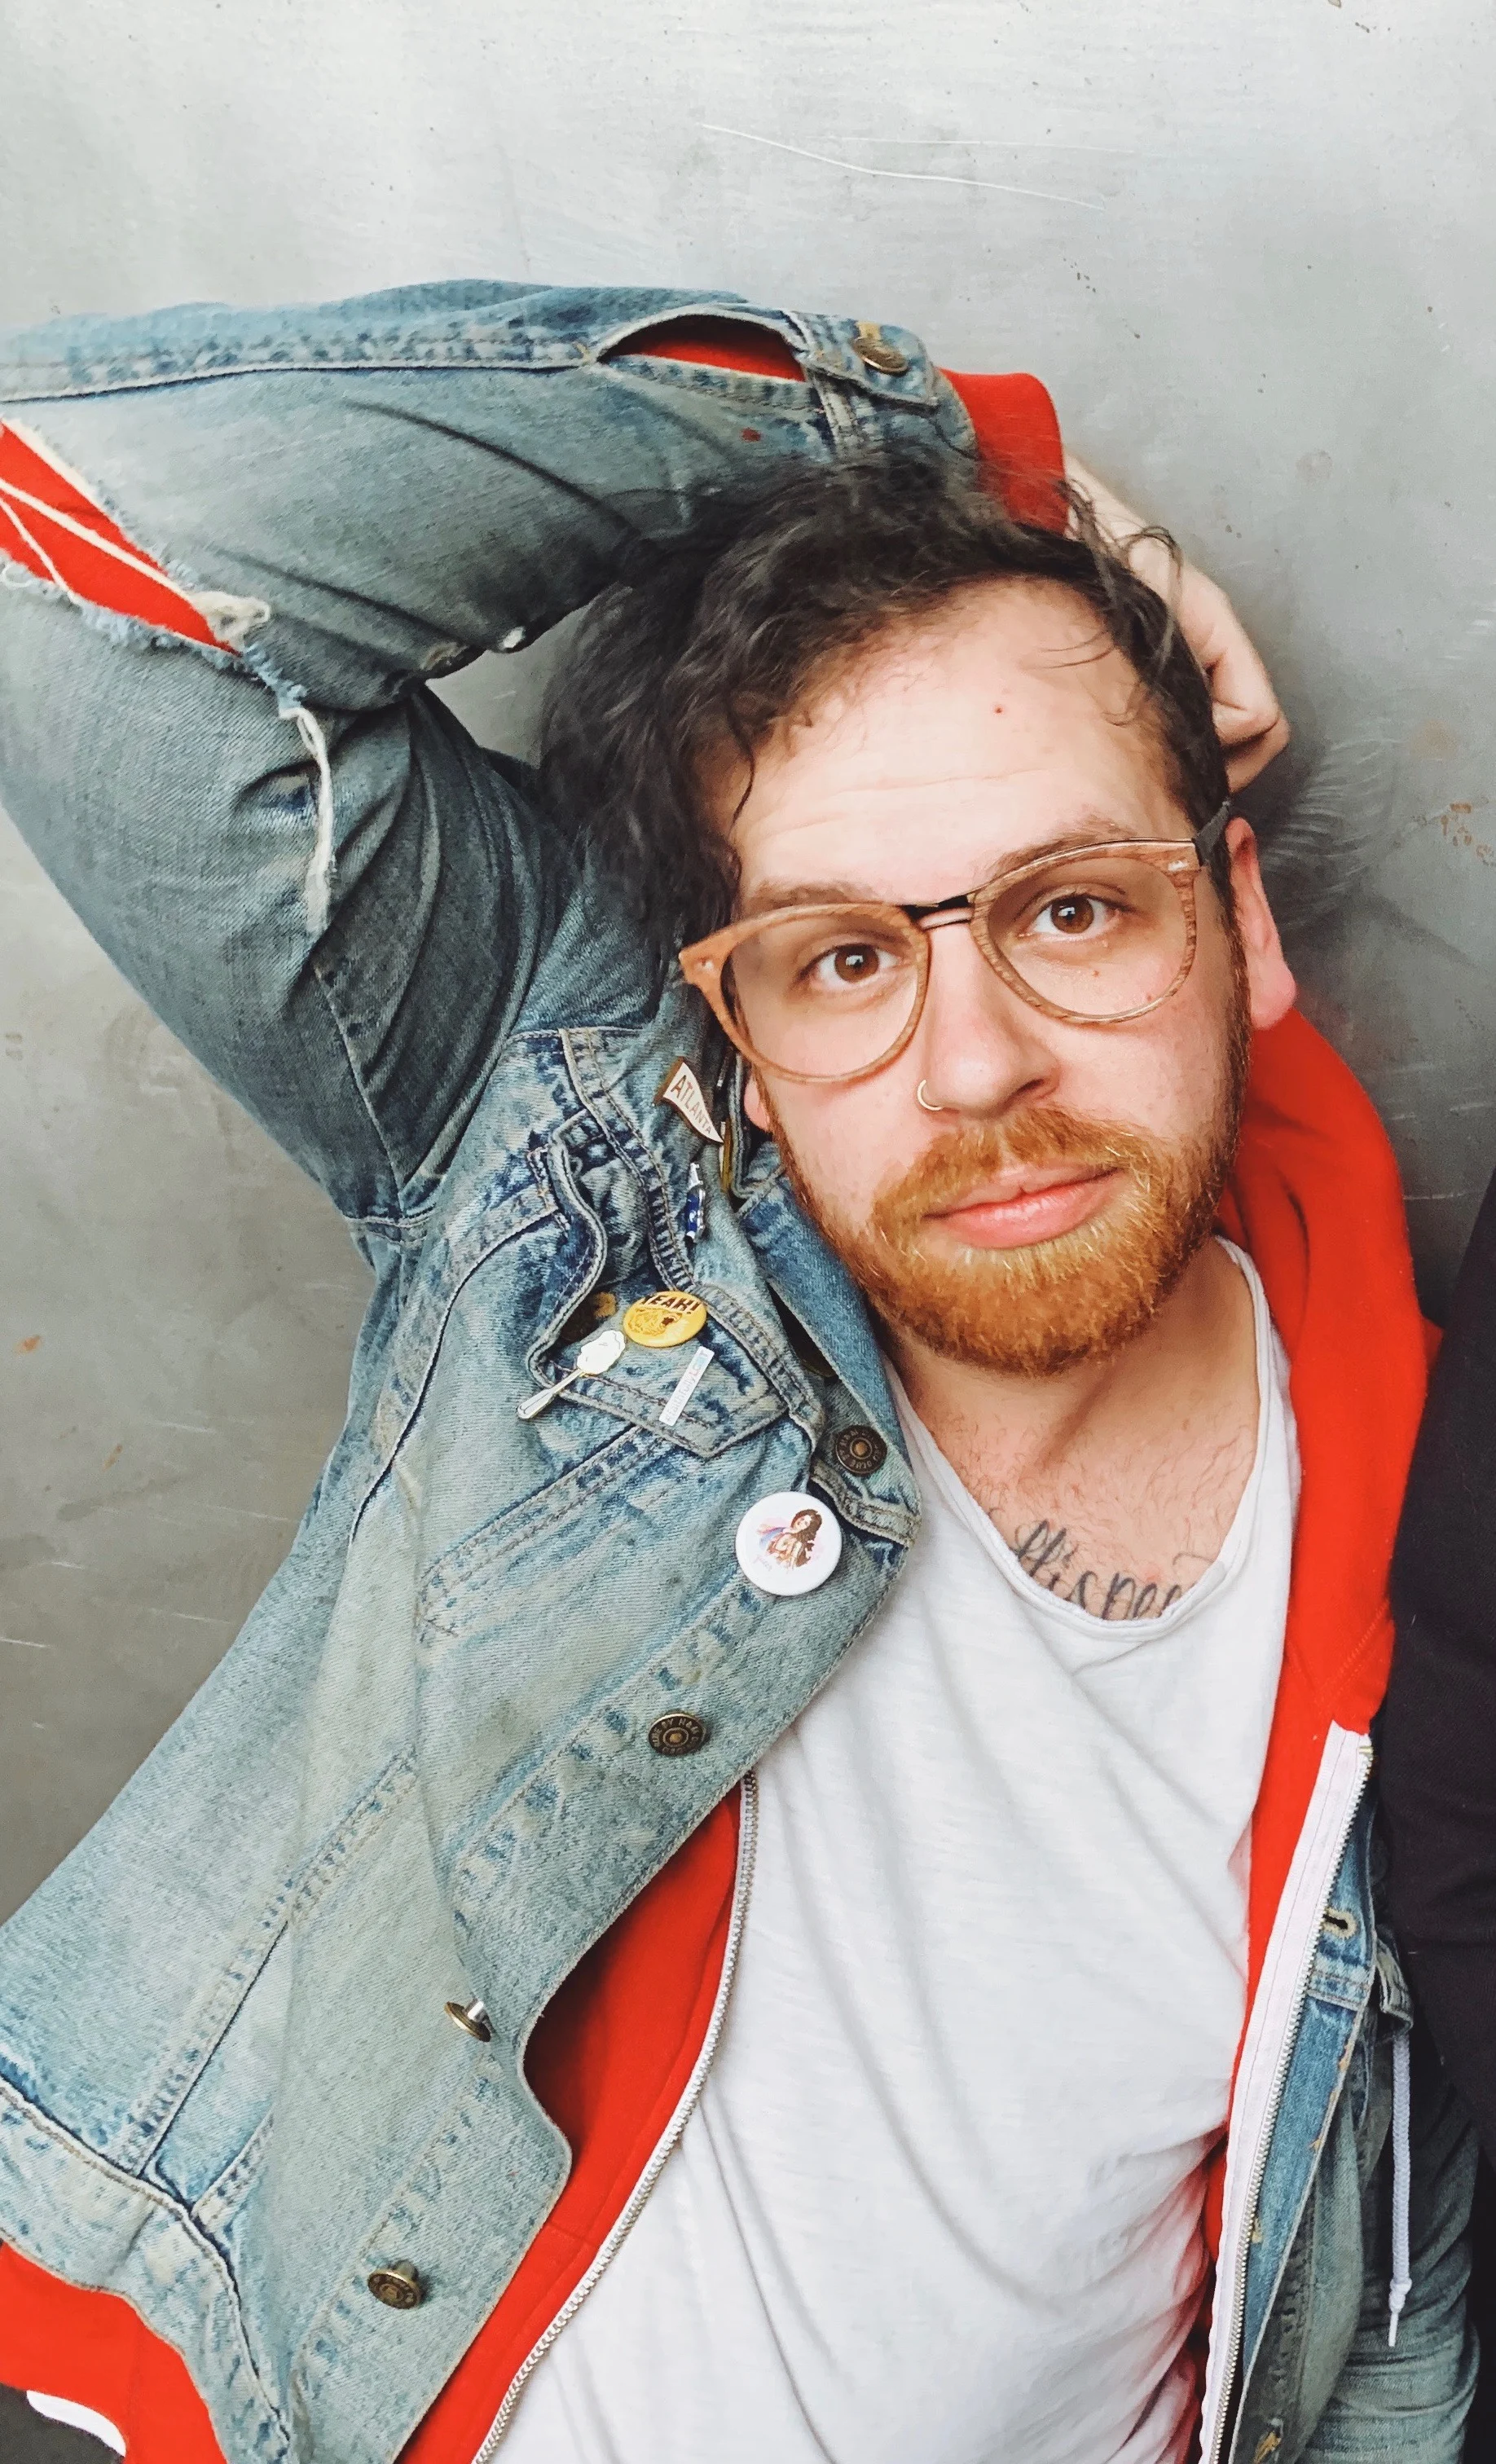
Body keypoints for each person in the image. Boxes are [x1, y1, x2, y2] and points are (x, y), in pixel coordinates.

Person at [0, 280, 1473, 2464]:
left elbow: (1380, 2268)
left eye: (1070, 909)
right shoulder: (572, 1158)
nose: (976, 1066)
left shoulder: (1426, 1499)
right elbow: (80, 543)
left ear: (1233, 921)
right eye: (842, 957)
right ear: (739, 1046)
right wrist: (950, 452)